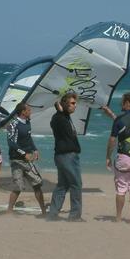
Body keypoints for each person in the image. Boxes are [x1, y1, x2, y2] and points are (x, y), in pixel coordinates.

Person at [102, 93, 130, 226]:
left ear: (127, 102)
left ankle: (119, 217)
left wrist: (108, 156)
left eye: (122, 102)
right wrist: (110, 114)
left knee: (121, 188)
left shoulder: (120, 120)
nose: (121, 104)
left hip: (124, 157)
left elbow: (113, 139)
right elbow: (125, 124)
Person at [47, 93, 84, 222]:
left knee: (62, 185)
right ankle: (74, 216)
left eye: (75, 103)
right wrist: (60, 110)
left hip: (65, 156)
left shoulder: (65, 117)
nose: (75, 106)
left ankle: (52, 214)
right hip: (67, 156)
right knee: (76, 184)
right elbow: (57, 122)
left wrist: (63, 111)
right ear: (64, 105)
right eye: (72, 103)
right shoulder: (58, 118)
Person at [6, 102, 45, 215]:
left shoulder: (28, 122)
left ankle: (43, 212)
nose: (30, 112)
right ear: (23, 112)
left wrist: (35, 150)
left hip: (27, 160)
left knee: (37, 184)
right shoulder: (13, 124)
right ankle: (9, 211)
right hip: (16, 160)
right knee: (18, 187)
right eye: (29, 110)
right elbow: (11, 143)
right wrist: (24, 154)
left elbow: (28, 138)